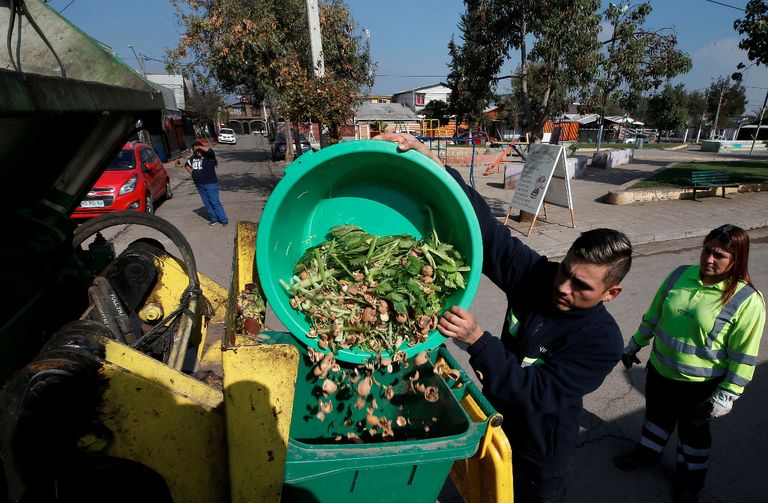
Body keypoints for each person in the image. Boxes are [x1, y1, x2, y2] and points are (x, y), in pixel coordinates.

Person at [375, 132, 633, 502]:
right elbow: (488, 231)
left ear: (611, 293)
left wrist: (478, 341)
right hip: (497, 424)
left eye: (581, 286)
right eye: (565, 271)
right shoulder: (539, 278)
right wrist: (433, 162)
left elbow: (534, 394)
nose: (563, 287)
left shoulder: (601, 342)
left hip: (539, 449)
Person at [617, 224, 765, 503]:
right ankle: (647, 454)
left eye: (720, 255)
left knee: (693, 437)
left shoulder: (747, 300)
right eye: (707, 250)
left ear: (737, 259)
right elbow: (654, 314)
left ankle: (690, 482)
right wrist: (635, 343)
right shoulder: (679, 275)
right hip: (660, 371)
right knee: (656, 419)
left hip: (700, 388)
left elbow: (744, 355)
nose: (709, 259)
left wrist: (729, 394)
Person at [184, 140, 228, 226]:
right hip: (199, 185)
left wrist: (200, 146)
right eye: (195, 150)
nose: (197, 151)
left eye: (198, 149)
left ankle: (223, 219)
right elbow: (186, 165)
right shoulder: (193, 158)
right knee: (207, 203)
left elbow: (210, 150)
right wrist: (192, 173)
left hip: (211, 184)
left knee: (215, 201)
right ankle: (214, 219)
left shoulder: (209, 157)